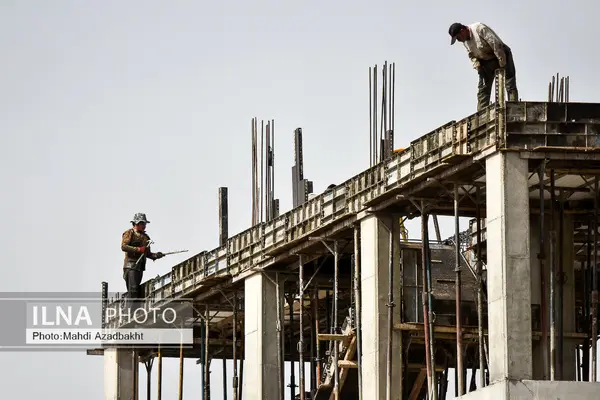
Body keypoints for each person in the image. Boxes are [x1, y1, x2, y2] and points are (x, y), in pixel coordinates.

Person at [448, 22, 519, 110]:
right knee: (483, 90)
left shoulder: (479, 29)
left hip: (501, 53)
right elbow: (471, 55)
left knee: (509, 82)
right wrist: (478, 66)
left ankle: (514, 108)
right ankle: (482, 115)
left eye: (458, 37)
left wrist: (502, 63)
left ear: (462, 31)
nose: (459, 40)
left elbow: (496, 45)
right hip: (485, 60)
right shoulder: (465, 41)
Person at [121, 213, 164, 310]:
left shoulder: (146, 237)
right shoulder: (129, 233)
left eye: (145, 224)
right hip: (130, 265)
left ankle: (133, 311)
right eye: (142, 224)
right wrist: (138, 249)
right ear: (136, 223)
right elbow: (124, 247)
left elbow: (147, 253)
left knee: (136, 290)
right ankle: (127, 313)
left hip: (140, 267)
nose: (144, 226)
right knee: (133, 289)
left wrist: (156, 255)